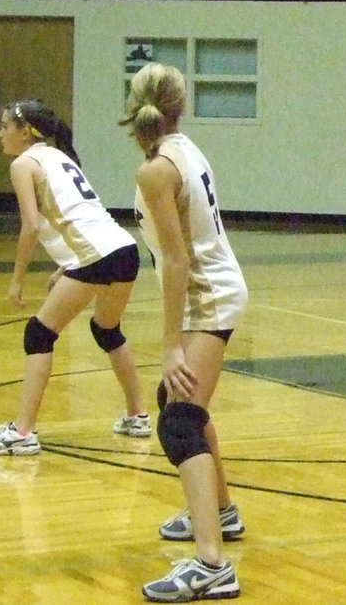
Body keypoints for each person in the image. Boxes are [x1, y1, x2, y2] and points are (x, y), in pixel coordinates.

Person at [122, 62, 246, 602]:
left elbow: (176, 259)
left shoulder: (156, 170)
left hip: (207, 295)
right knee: (183, 407)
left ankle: (212, 563)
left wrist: (170, 343)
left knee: (177, 420)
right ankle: (222, 510)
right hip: (214, 289)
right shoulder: (181, 148)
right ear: (180, 105)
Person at [0, 100, 147, 456]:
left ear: (25, 132)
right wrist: (68, 266)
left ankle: (22, 433)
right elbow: (84, 219)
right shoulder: (59, 157)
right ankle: (138, 415)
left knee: (38, 333)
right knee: (106, 330)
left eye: (5, 126)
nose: (0, 133)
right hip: (124, 249)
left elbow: (32, 225)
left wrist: (16, 280)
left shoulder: (24, 163)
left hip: (98, 255)